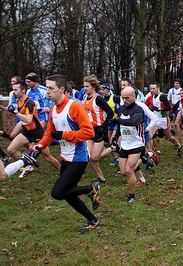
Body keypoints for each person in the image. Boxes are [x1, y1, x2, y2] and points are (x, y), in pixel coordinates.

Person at [34, 74, 100, 232]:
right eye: (46, 88)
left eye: (51, 88)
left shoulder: (74, 106)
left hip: (79, 157)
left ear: (62, 89)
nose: (47, 92)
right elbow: (50, 132)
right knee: (69, 195)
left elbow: (89, 132)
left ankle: (90, 189)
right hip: (66, 157)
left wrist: (63, 135)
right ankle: (93, 220)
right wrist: (39, 146)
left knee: (58, 192)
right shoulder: (53, 109)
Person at [1, 81, 59, 180]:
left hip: (36, 132)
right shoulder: (19, 100)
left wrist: (15, 112)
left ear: (23, 91)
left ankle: (63, 171)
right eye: (13, 89)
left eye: (15, 90)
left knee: (47, 157)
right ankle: (27, 165)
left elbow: (28, 119)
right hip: (26, 132)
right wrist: (4, 108)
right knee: (11, 149)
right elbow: (15, 111)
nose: (13, 92)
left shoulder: (29, 103)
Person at [110, 86, 158, 202]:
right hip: (125, 143)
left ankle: (132, 195)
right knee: (122, 172)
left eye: (127, 98)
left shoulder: (139, 108)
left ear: (134, 97)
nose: (125, 100)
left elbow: (133, 122)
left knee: (129, 170)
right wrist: (116, 137)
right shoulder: (121, 108)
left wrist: (147, 129)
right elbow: (121, 125)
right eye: (123, 98)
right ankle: (145, 157)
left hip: (137, 143)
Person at [82, 75, 114, 183]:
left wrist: (104, 126)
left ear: (93, 87)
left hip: (100, 129)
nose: (85, 88)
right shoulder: (84, 98)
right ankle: (101, 178)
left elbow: (110, 113)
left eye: (87, 86)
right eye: (84, 86)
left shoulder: (98, 99)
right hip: (89, 129)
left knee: (95, 157)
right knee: (90, 157)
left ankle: (113, 148)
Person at [145, 82, 182, 156]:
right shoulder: (151, 97)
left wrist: (158, 109)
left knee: (168, 137)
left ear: (158, 88)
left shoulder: (162, 96)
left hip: (163, 119)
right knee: (149, 136)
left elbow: (169, 107)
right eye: (151, 89)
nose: (151, 90)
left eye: (153, 89)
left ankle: (178, 145)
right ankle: (150, 153)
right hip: (155, 119)